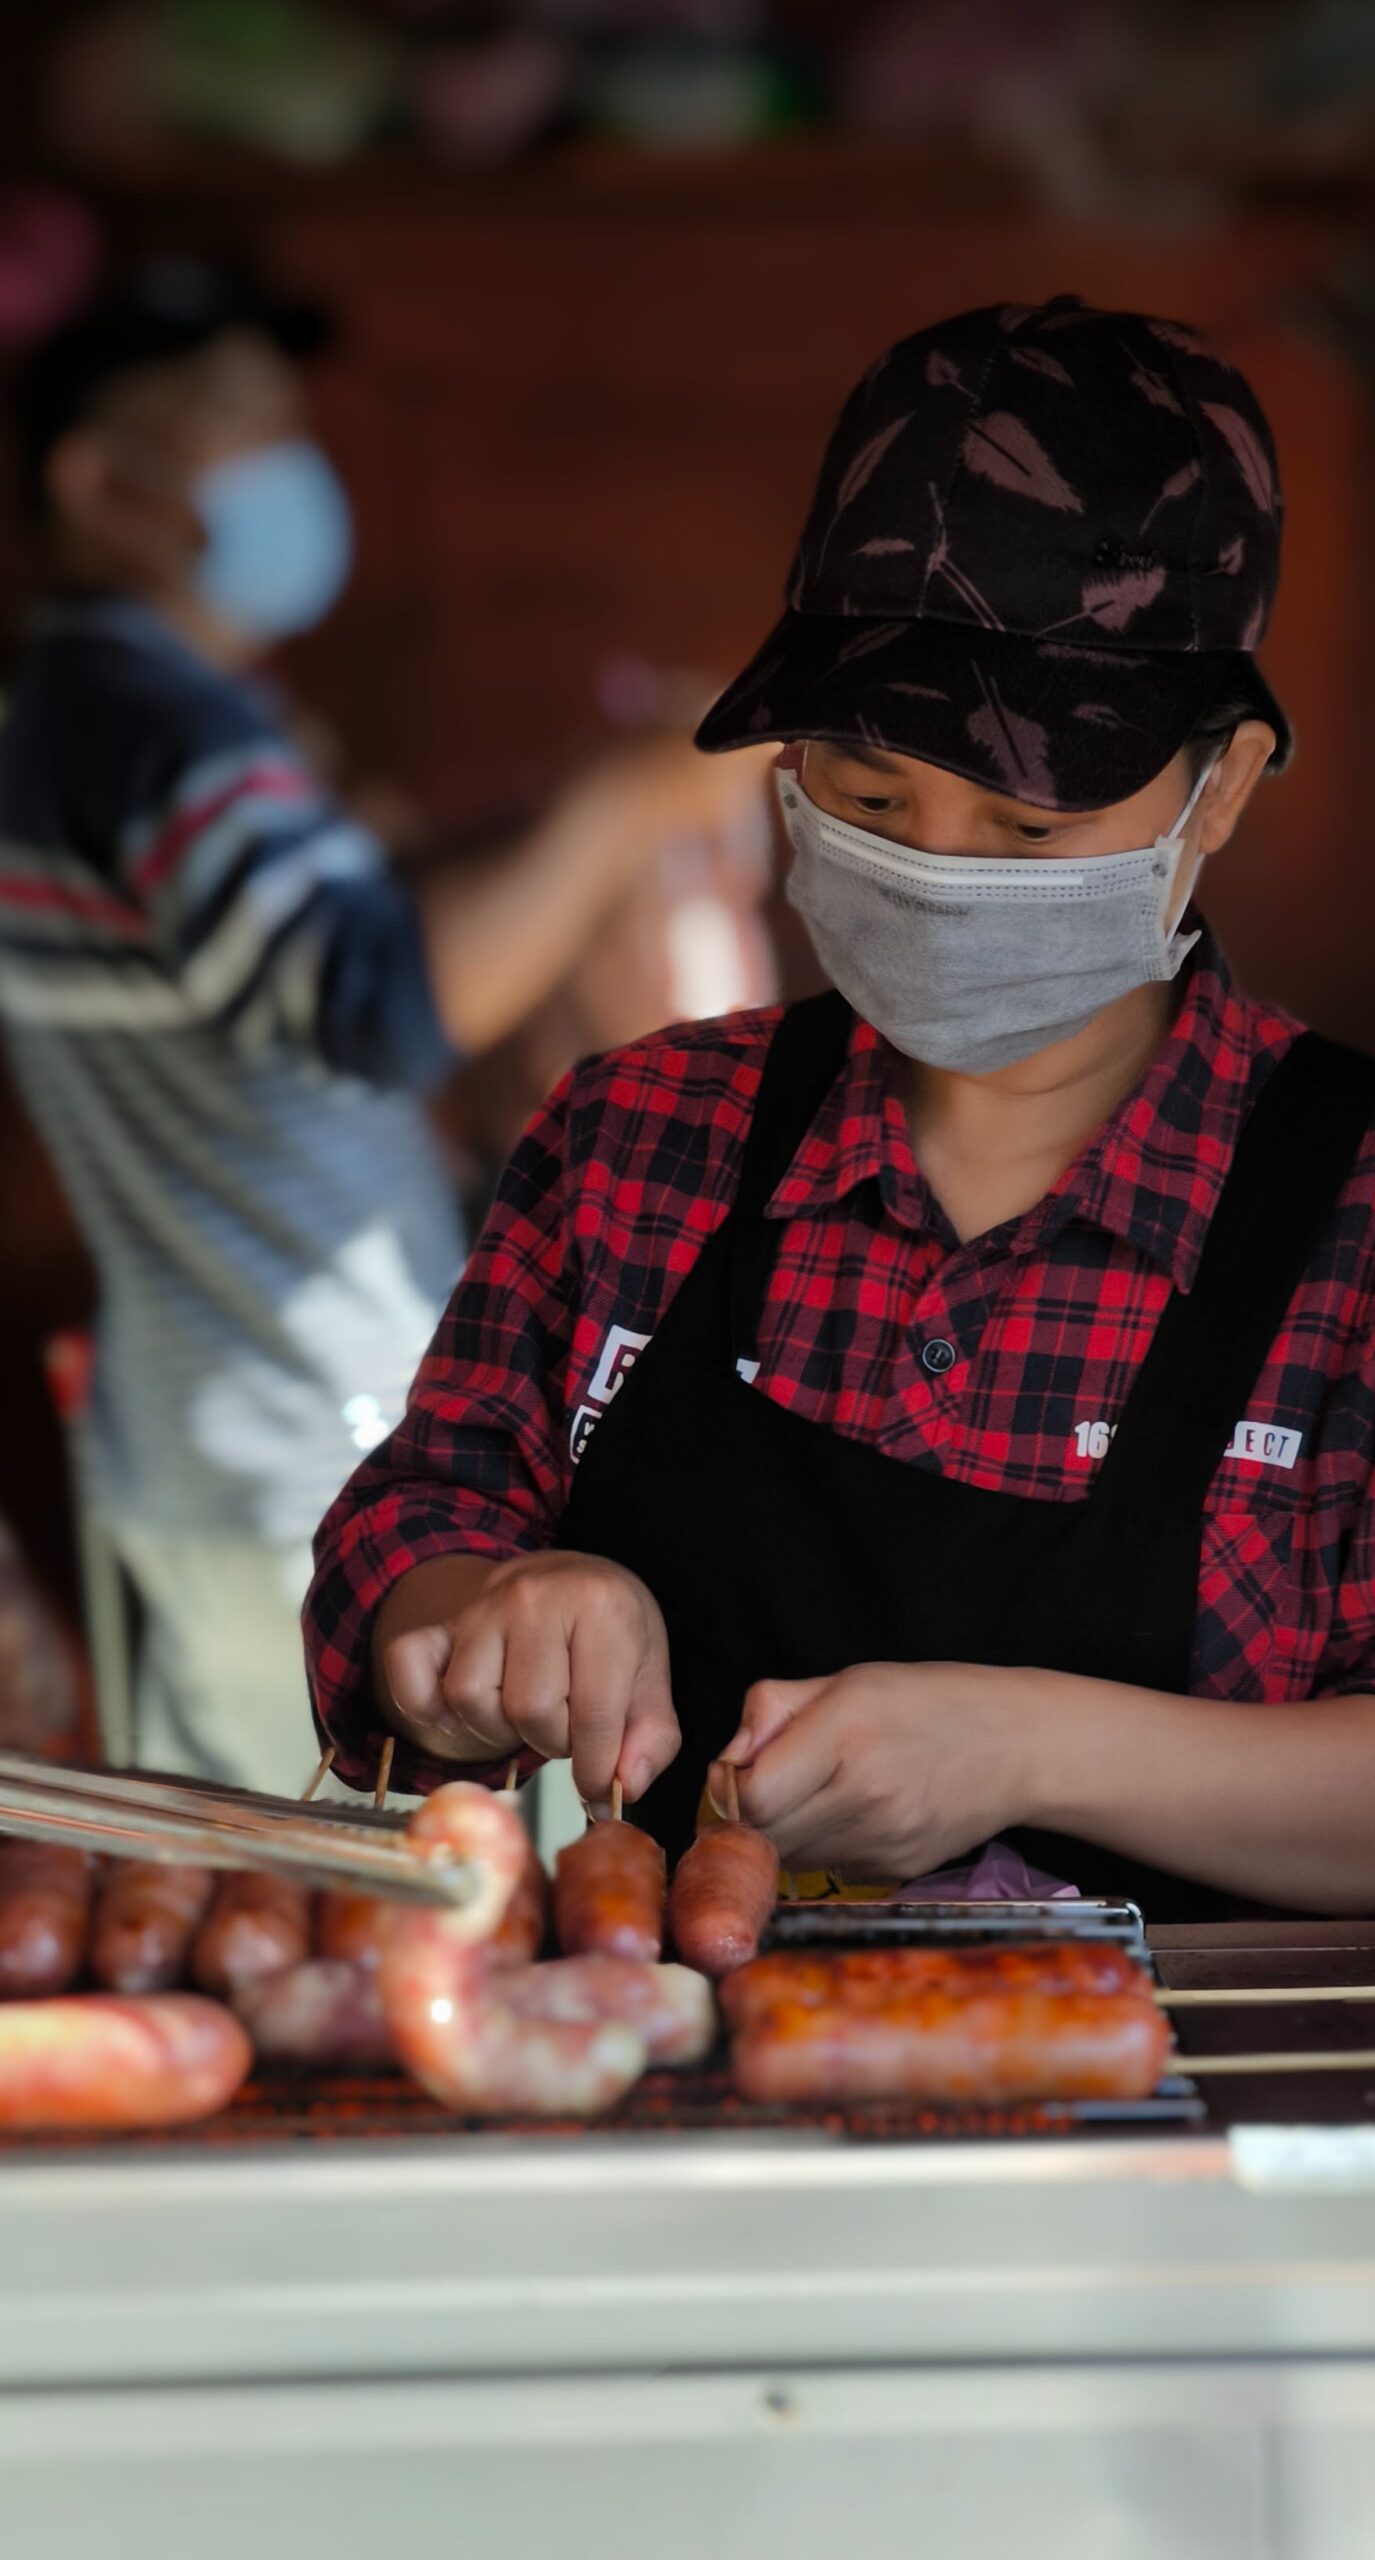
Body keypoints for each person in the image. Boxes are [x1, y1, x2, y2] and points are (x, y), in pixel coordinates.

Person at [306, 296, 1375, 1919]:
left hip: (1212, 2140)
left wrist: (1029, 1747)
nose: (932, 871)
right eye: (867, 797)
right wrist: (491, 1611)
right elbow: (402, 1543)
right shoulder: (640, 1136)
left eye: (1022, 827)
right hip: (669, 2105)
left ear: (1218, 786)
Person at [0, 258, 770, 1795]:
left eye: (288, 423)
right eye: (231, 427)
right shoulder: (139, 718)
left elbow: (341, 949)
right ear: (97, 481)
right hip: (306, 1446)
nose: (286, 465)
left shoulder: (126, 719)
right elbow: (376, 1002)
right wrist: (628, 796)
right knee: (370, 1925)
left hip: (239, 1423)